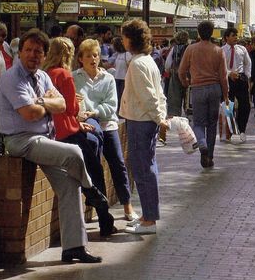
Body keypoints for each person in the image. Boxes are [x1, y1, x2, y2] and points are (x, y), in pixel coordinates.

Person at [0, 28, 106, 263]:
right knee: (75, 151)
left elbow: (63, 104)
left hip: (44, 139)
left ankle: (74, 247)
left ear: (45, 55)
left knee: (69, 185)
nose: (33, 55)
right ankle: (92, 190)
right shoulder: (11, 78)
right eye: (28, 50)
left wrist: (42, 101)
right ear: (20, 52)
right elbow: (29, 113)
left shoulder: (43, 76)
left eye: (38, 51)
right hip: (20, 141)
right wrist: (47, 103)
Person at [43, 37, 118, 237]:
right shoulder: (65, 75)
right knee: (94, 172)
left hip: (53, 133)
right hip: (70, 133)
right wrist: (75, 103)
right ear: (68, 54)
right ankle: (104, 219)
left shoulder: (45, 74)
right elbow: (72, 108)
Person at [73, 39, 137, 224]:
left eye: (95, 55)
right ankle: (99, 207)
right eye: (88, 56)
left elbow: (111, 107)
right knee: (94, 166)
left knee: (118, 164)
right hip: (88, 127)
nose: (93, 59)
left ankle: (127, 204)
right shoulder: (74, 77)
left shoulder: (108, 77)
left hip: (107, 126)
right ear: (80, 59)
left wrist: (94, 111)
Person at [120, 19, 169, 234]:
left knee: (142, 169)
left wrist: (160, 119)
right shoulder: (146, 61)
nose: (122, 40)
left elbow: (149, 97)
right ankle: (147, 214)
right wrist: (161, 117)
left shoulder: (138, 64)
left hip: (141, 121)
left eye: (124, 36)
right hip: (143, 120)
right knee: (146, 167)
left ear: (130, 39)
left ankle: (149, 219)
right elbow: (158, 94)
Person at [178, 21, 229, 167]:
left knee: (198, 122)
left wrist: (186, 82)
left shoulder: (191, 49)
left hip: (198, 88)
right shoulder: (218, 50)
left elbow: (181, 70)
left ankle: (202, 144)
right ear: (212, 32)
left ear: (199, 33)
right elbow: (223, 76)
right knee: (212, 124)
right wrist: (226, 95)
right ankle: (210, 157)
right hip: (214, 89)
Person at [221, 27, 252, 143]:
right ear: (226, 37)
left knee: (245, 105)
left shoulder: (242, 49)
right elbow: (220, 67)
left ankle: (242, 129)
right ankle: (230, 131)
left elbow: (248, 63)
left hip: (241, 79)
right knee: (228, 106)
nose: (235, 38)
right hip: (228, 80)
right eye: (233, 35)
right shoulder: (222, 50)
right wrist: (229, 73)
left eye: (236, 35)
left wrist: (246, 76)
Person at [108, 36, 132, 111]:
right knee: (117, 96)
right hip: (117, 78)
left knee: (122, 96)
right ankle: (118, 110)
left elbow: (129, 66)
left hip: (124, 79)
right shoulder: (117, 54)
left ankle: (123, 111)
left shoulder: (127, 54)